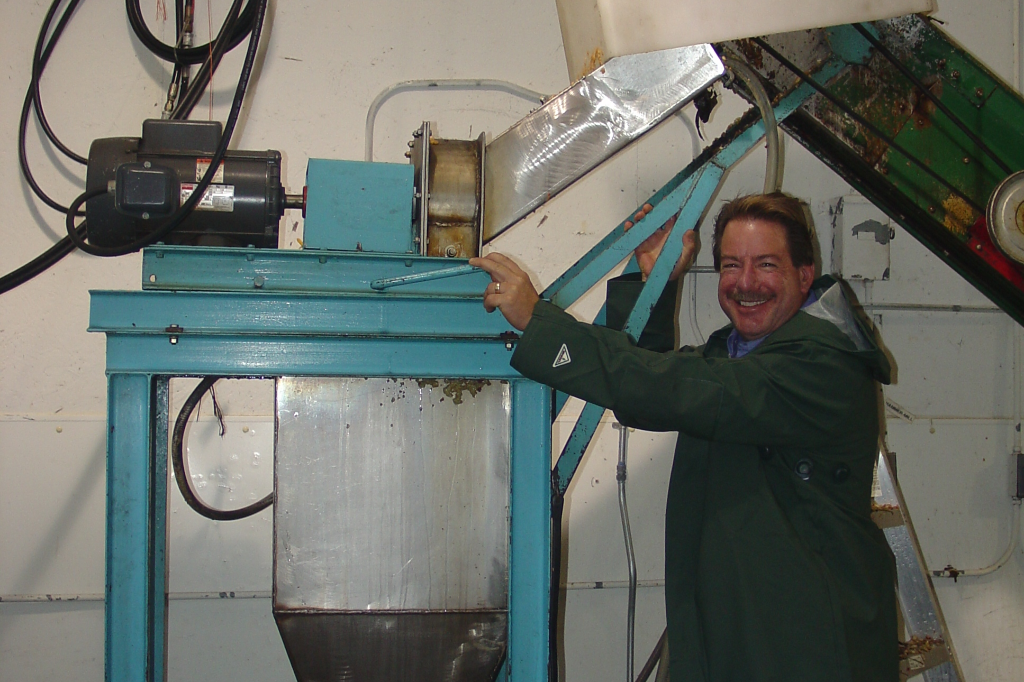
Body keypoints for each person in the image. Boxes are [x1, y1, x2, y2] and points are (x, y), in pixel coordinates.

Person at [469, 192, 897, 682]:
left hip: (807, 648)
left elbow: (671, 389)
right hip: (740, 633)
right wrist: (654, 282)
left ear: (805, 274)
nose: (747, 282)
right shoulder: (734, 354)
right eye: (732, 265)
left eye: (767, 264)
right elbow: (655, 391)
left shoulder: (822, 364)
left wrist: (539, 323)